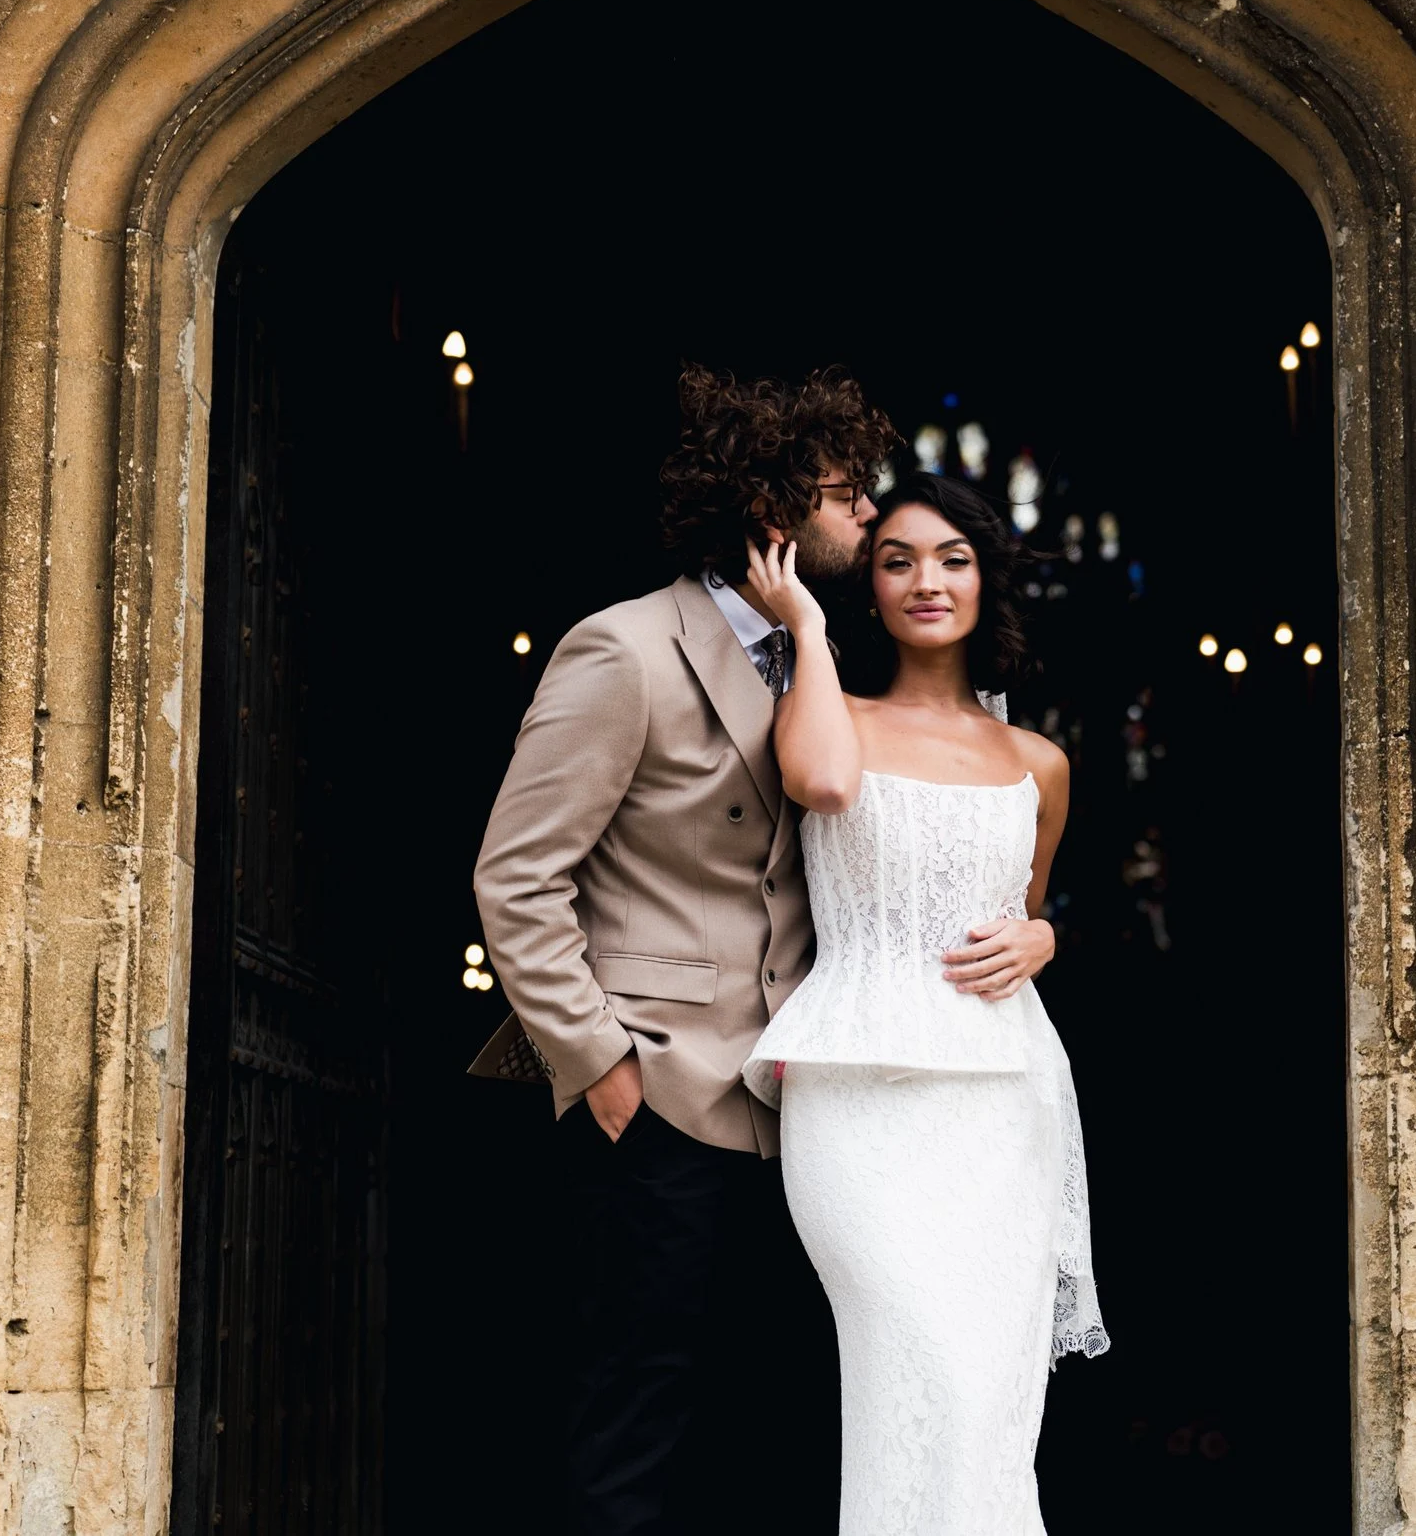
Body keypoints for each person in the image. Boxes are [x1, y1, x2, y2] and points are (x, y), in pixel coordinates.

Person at [471, 364, 899, 1534]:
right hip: (657, 1091)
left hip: (795, 1105)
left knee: (761, 1417)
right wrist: (600, 1061)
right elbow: (516, 873)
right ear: (772, 515)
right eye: (842, 492)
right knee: (633, 1419)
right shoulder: (622, 650)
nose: (866, 514)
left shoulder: (818, 658)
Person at [738, 471, 1109, 1535]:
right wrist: (802, 621)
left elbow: (1019, 913)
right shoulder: (828, 712)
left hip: (1000, 1106)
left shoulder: (1039, 763)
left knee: (990, 1405)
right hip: (857, 1101)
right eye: (895, 558)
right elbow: (820, 783)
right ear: (870, 585)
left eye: (951, 557)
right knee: (922, 1367)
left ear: (987, 576)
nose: (924, 579)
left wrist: (1046, 936)